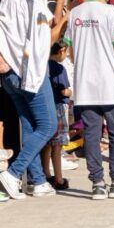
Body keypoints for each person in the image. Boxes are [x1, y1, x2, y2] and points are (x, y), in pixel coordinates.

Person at [64, 0, 114, 200]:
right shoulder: (111, 12)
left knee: (92, 135)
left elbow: (71, 50)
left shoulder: (75, 13)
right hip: (110, 84)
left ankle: (97, 183)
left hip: (85, 85)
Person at [0, 0, 59, 200]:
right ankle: (14, 172)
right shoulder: (30, 0)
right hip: (29, 70)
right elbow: (45, 35)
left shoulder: (3, 1)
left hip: (9, 72)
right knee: (48, 125)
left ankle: (37, 180)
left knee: (30, 124)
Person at [42, 42, 72, 190]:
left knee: (47, 144)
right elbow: (64, 91)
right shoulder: (59, 69)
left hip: (44, 108)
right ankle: (59, 178)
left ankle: (46, 174)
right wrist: (70, 93)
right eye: (66, 52)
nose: (66, 55)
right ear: (61, 51)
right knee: (57, 146)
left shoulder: (43, 65)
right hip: (58, 109)